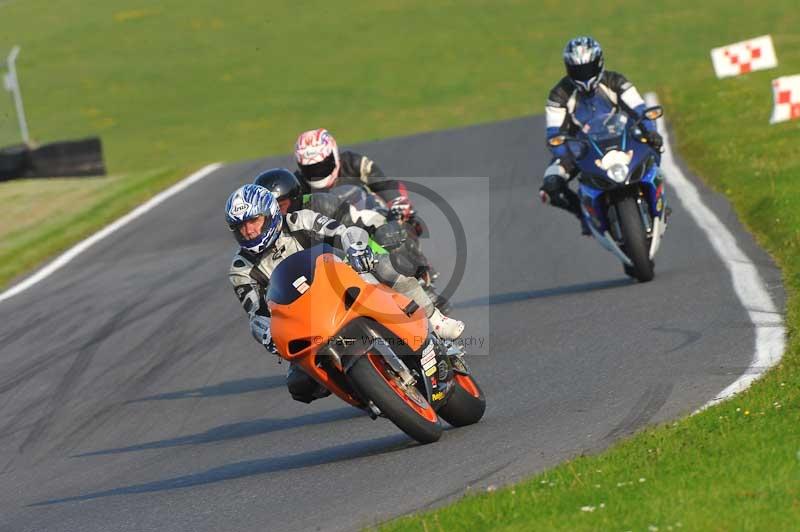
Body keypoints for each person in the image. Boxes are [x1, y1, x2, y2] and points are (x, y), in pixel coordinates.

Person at [226, 183, 464, 403]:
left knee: (384, 266)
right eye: (239, 226)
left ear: (269, 213)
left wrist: (356, 247)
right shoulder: (241, 269)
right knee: (300, 385)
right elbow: (256, 313)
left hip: (340, 281)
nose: (248, 230)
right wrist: (267, 333)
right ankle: (367, 392)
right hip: (305, 318)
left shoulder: (299, 220)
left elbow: (342, 232)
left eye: (253, 221)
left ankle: (435, 320)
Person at [539, 36, 663, 234]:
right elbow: (553, 134)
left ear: (599, 63)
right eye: (578, 70)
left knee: (655, 146)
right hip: (583, 149)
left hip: (624, 139)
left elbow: (640, 109)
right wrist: (568, 153)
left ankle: (657, 199)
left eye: (588, 68)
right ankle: (583, 214)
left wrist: (651, 131)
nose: (584, 75)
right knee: (550, 186)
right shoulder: (559, 95)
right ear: (568, 69)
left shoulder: (616, 81)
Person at [293, 128, 418, 228]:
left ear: (334, 155)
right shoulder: (296, 184)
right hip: (330, 231)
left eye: (322, 166)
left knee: (406, 221)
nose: (317, 172)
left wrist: (397, 202)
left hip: (371, 217)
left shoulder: (353, 163)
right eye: (310, 169)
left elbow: (383, 184)